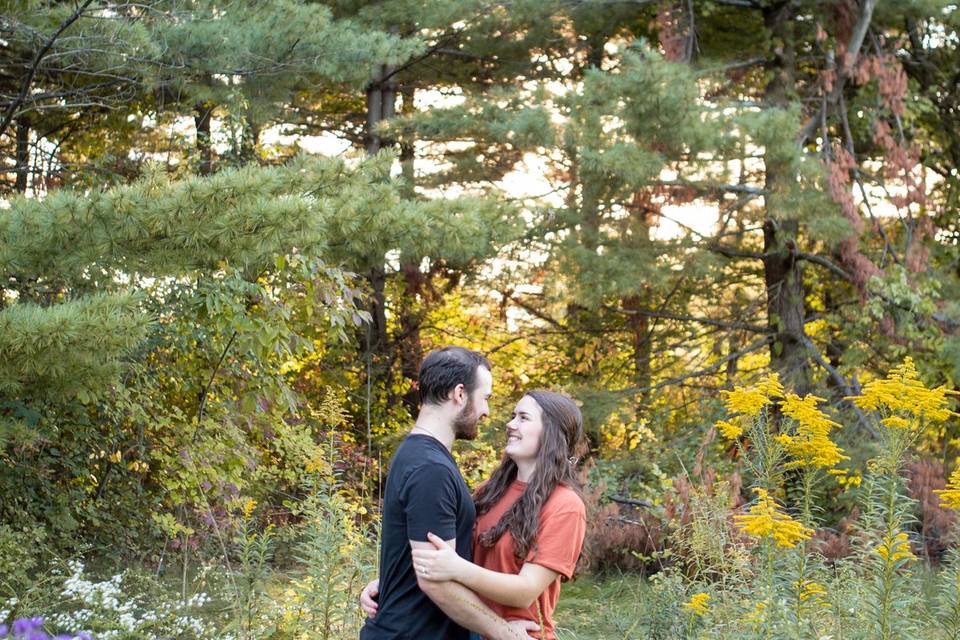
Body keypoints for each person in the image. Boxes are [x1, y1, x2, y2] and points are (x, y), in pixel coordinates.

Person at [362, 390, 587, 640]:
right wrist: (391, 583)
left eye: (523, 418)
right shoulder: (491, 491)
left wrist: (457, 569)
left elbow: (525, 591)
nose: (510, 424)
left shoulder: (566, 505)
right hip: (473, 629)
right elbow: (446, 550)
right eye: (513, 416)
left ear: (552, 433)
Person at [359, 346, 538, 640]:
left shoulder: (417, 455)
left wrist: (391, 582)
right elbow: (435, 580)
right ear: (459, 393)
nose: (486, 412)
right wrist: (506, 634)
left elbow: (418, 557)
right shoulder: (431, 468)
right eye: (485, 398)